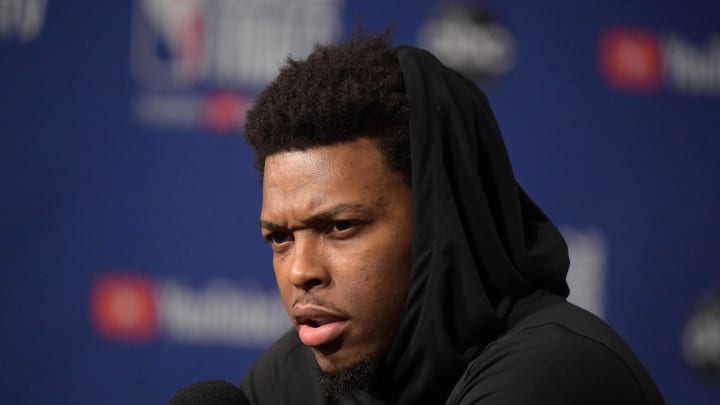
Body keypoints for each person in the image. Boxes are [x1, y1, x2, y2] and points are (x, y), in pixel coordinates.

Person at [239, 31, 664, 404]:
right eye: (280, 238)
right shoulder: (290, 374)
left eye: (340, 227)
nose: (300, 271)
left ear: (436, 222)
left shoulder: (554, 373)